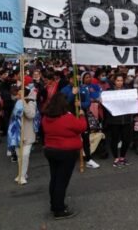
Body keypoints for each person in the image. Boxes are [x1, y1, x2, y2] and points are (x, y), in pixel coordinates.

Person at [42, 92, 87, 220]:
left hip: (50, 150)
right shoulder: (67, 118)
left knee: (55, 179)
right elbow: (82, 127)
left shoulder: (46, 117)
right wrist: (82, 116)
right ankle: (59, 209)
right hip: (66, 152)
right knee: (61, 181)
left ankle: (55, 204)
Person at [7, 84, 37, 184]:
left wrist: (23, 102)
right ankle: (22, 173)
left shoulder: (31, 102)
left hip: (28, 134)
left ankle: (22, 176)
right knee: (20, 156)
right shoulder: (16, 102)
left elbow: (31, 115)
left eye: (20, 93)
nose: (18, 94)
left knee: (25, 155)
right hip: (18, 134)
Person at [105, 74, 133, 168]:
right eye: (118, 80)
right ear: (114, 81)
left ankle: (122, 157)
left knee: (126, 139)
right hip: (114, 120)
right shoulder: (109, 92)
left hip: (126, 119)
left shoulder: (128, 91)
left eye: (121, 80)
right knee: (114, 139)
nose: (120, 82)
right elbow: (105, 103)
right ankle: (116, 157)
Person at [79, 71, 101, 169]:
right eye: (86, 77)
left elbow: (87, 103)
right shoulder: (74, 89)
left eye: (89, 77)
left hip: (85, 115)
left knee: (86, 136)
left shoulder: (87, 88)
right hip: (75, 116)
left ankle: (88, 159)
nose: (88, 79)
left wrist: (81, 105)